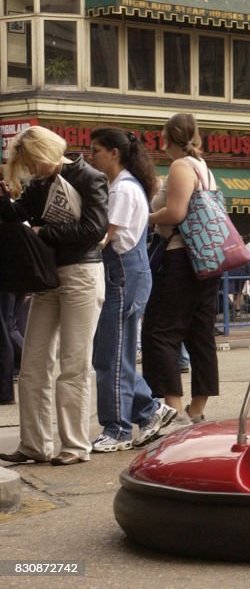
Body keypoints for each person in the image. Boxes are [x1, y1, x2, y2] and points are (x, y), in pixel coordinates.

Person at [0, 126, 108, 466]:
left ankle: (74, 446)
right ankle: (34, 444)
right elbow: (18, 215)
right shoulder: (39, 183)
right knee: (33, 365)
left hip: (81, 274)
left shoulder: (89, 177)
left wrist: (44, 232)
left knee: (73, 364)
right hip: (48, 278)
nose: (32, 170)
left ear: (47, 152)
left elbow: (95, 229)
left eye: (34, 162)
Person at [88, 128, 177, 452]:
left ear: (114, 153)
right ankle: (150, 410)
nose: (90, 156)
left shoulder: (123, 190)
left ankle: (118, 429)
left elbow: (102, 237)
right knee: (110, 352)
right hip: (124, 273)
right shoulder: (122, 185)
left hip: (123, 275)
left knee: (112, 354)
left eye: (95, 150)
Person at [142, 113, 221, 426]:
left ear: (166, 137)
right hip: (207, 259)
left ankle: (172, 408)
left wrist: (146, 218)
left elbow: (175, 213)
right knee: (200, 333)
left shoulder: (180, 166)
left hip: (180, 257)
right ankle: (197, 408)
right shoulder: (203, 167)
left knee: (160, 330)